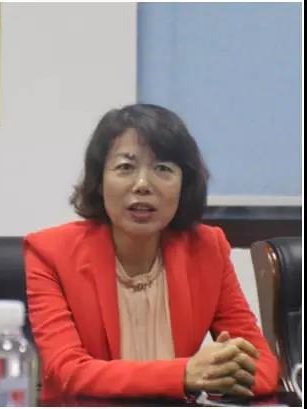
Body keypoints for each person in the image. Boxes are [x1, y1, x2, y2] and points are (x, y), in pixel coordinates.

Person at [23, 104, 279, 401]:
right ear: (99, 181)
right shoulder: (50, 253)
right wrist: (184, 374)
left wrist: (219, 373)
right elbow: (66, 372)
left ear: (184, 184)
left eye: (163, 168)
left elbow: (263, 367)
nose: (142, 184)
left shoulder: (208, 249)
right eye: (125, 167)